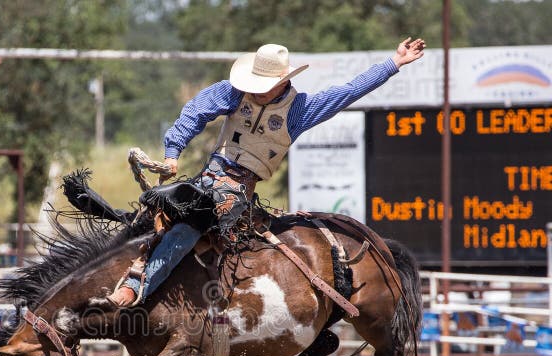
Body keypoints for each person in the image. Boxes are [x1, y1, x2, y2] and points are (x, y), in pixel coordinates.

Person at [104, 37, 426, 307]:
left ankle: (140, 289)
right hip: (209, 178)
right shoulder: (234, 92)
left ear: (283, 81)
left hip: (238, 192)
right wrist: (173, 153)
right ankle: (123, 277)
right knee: (158, 215)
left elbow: (349, 91)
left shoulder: (300, 111)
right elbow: (195, 111)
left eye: (263, 85)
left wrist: (394, 63)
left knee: (190, 226)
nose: (255, 90)